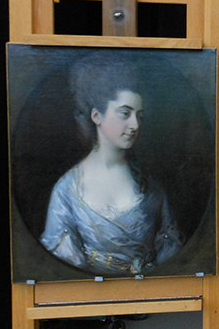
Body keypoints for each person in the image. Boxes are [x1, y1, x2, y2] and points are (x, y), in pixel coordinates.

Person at [40, 53, 182, 275]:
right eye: (125, 113)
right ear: (96, 115)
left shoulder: (150, 186)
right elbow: (64, 267)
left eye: (139, 116)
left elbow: (168, 246)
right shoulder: (67, 190)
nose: (134, 124)